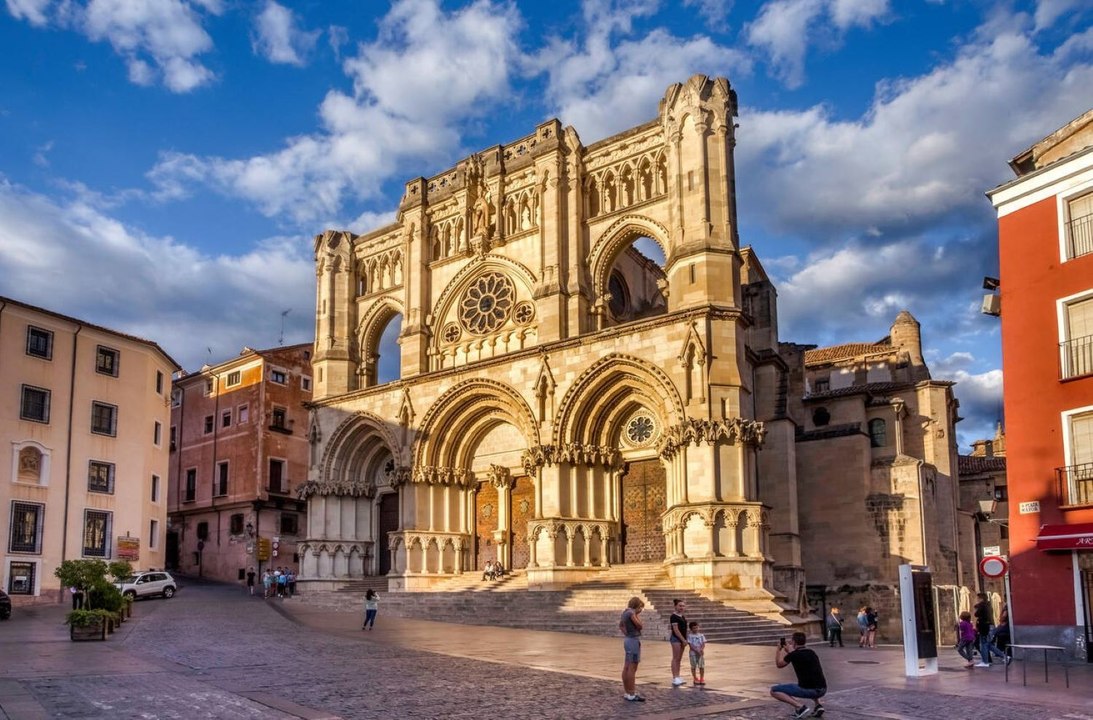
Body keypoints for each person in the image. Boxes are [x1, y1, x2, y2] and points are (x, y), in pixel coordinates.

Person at [771, 631, 828, 719]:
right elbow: (799, 656)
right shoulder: (811, 652)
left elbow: (779, 664)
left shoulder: (793, 655)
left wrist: (778, 650)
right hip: (823, 689)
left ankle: (800, 707)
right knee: (811, 679)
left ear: (794, 642)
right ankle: (818, 706)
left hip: (809, 690)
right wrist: (791, 653)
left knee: (774, 690)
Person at [619, 596, 645, 702]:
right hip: (633, 640)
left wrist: (627, 634)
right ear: (637, 606)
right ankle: (632, 693)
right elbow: (640, 626)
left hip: (628, 639)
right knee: (632, 667)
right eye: (641, 608)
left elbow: (620, 625)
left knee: (626, 666)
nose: (641, 610)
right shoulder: (631, 613)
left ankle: (627, 691)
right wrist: (637, 615)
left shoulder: (625, 612)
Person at [973, 593, 1008, 667]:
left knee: (984, 644)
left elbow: (976, 614)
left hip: (985, 627)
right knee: (988, 645)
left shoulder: (982, 605)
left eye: (978, 598)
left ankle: (985, 662)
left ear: (981, 598)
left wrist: (977, 607)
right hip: (990, 626)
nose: (977, 600)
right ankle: (1005, 657)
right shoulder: (989, 605)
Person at [669, 598, 688, 686]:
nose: (681, 607)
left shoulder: (682, 616)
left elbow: (684, 629)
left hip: (682, 639)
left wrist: (685, 639)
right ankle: (674, 677)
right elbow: (676, 630)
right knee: (675, 658)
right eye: (680, 606)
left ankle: (678, 675)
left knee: (679, 659)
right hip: (676, 639)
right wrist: (683, 639)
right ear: (675, 606)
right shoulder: (673, 616)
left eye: (683, 606)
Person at [687, 620, 706, 686]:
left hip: (700, 653)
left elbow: (703, 643)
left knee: (701, 666)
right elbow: (690, 645)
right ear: (691, 629)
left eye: (696, 627)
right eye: (694, 628)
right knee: (693, 666)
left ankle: (702, 678)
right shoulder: (690, 636)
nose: (696, 629)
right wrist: (696, 650)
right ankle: (695, 678)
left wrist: (701, 649)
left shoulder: (701, 635)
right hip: (693, 653)